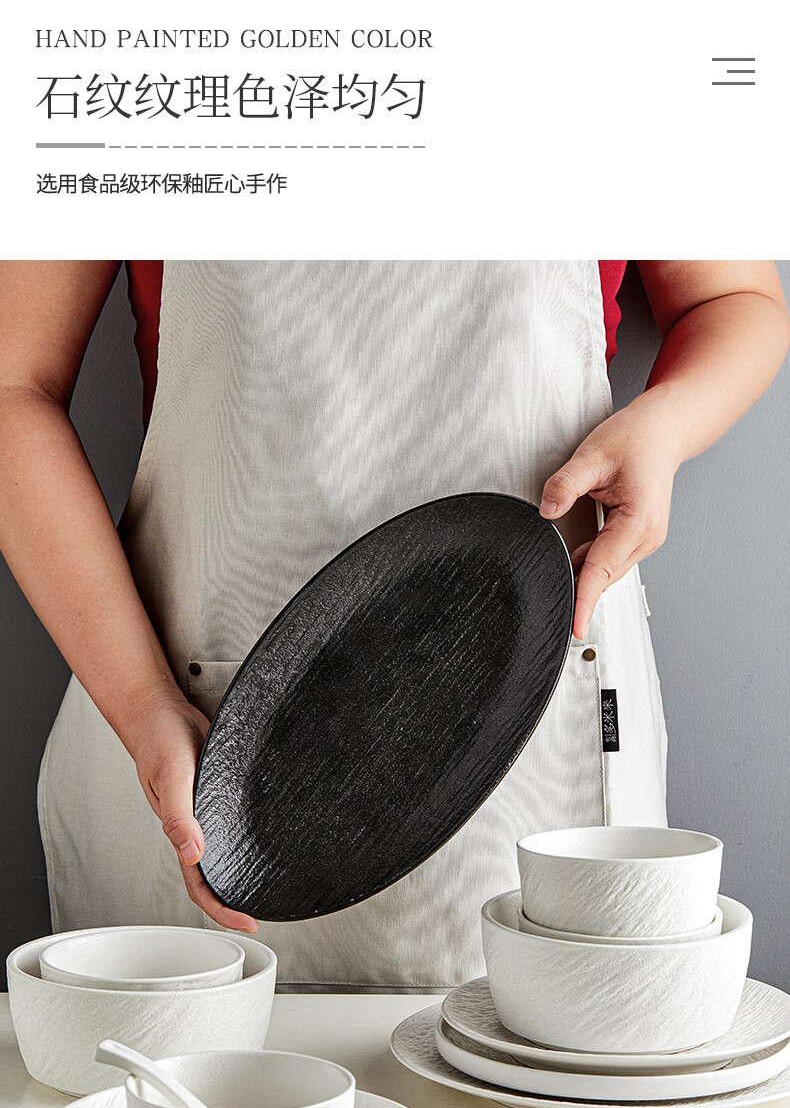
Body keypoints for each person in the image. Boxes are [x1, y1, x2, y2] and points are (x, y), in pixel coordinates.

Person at [1, 260, 787, 990]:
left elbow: (738, 302)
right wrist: (142, 702)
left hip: (538, 732)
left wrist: (665, 427)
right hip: (201, 740)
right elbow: (14, 387)